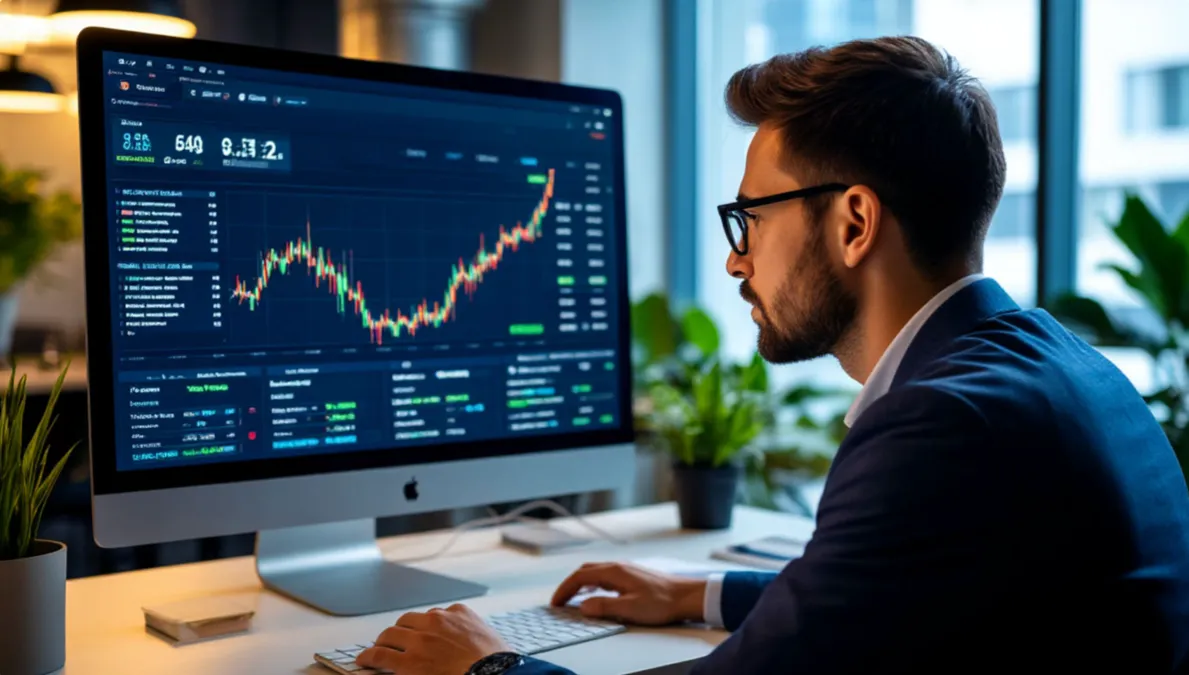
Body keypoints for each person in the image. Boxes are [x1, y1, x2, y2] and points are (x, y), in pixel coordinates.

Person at [354, 35, 1189, 675]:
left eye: (749, 218)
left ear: (853, 223)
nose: (735, 260)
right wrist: (703, 592)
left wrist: (488, 665)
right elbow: (890, 596)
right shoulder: (1057, 365)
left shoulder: (940, 424)